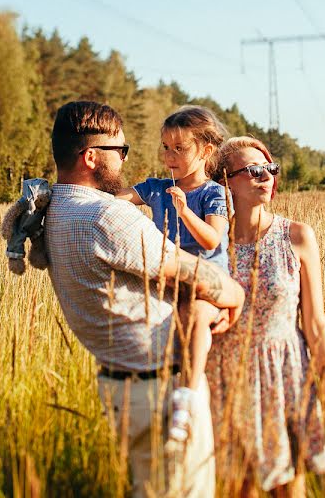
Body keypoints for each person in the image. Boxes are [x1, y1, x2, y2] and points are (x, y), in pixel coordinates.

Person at [43, 101, 245, 498]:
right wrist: (235, 292)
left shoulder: (55, 209)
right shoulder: (106, 217)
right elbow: (191, 271)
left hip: (122, 385)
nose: (124, 160)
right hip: (158, 392)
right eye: (121, 152)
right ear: (90, 157)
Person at [207, 136, 325, 497]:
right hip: (224, 380)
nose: (266, 176)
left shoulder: (296, 236)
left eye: (270, 169)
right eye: (253, 170)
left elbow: (316, 326)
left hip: (285, 377)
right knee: (235, 490)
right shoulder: (212, 240)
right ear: (225, 181)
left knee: (289, 490)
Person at [115, 106, 230, 444]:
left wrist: (183, 211)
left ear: (205, 151)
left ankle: (186, 399)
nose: (170, 156)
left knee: (193, 314)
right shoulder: (156, 188)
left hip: (207, 284)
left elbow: (212, 239)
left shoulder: (213, 193)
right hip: (167, 281)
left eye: (180, 148)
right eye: (166, 147)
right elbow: (115, 201)